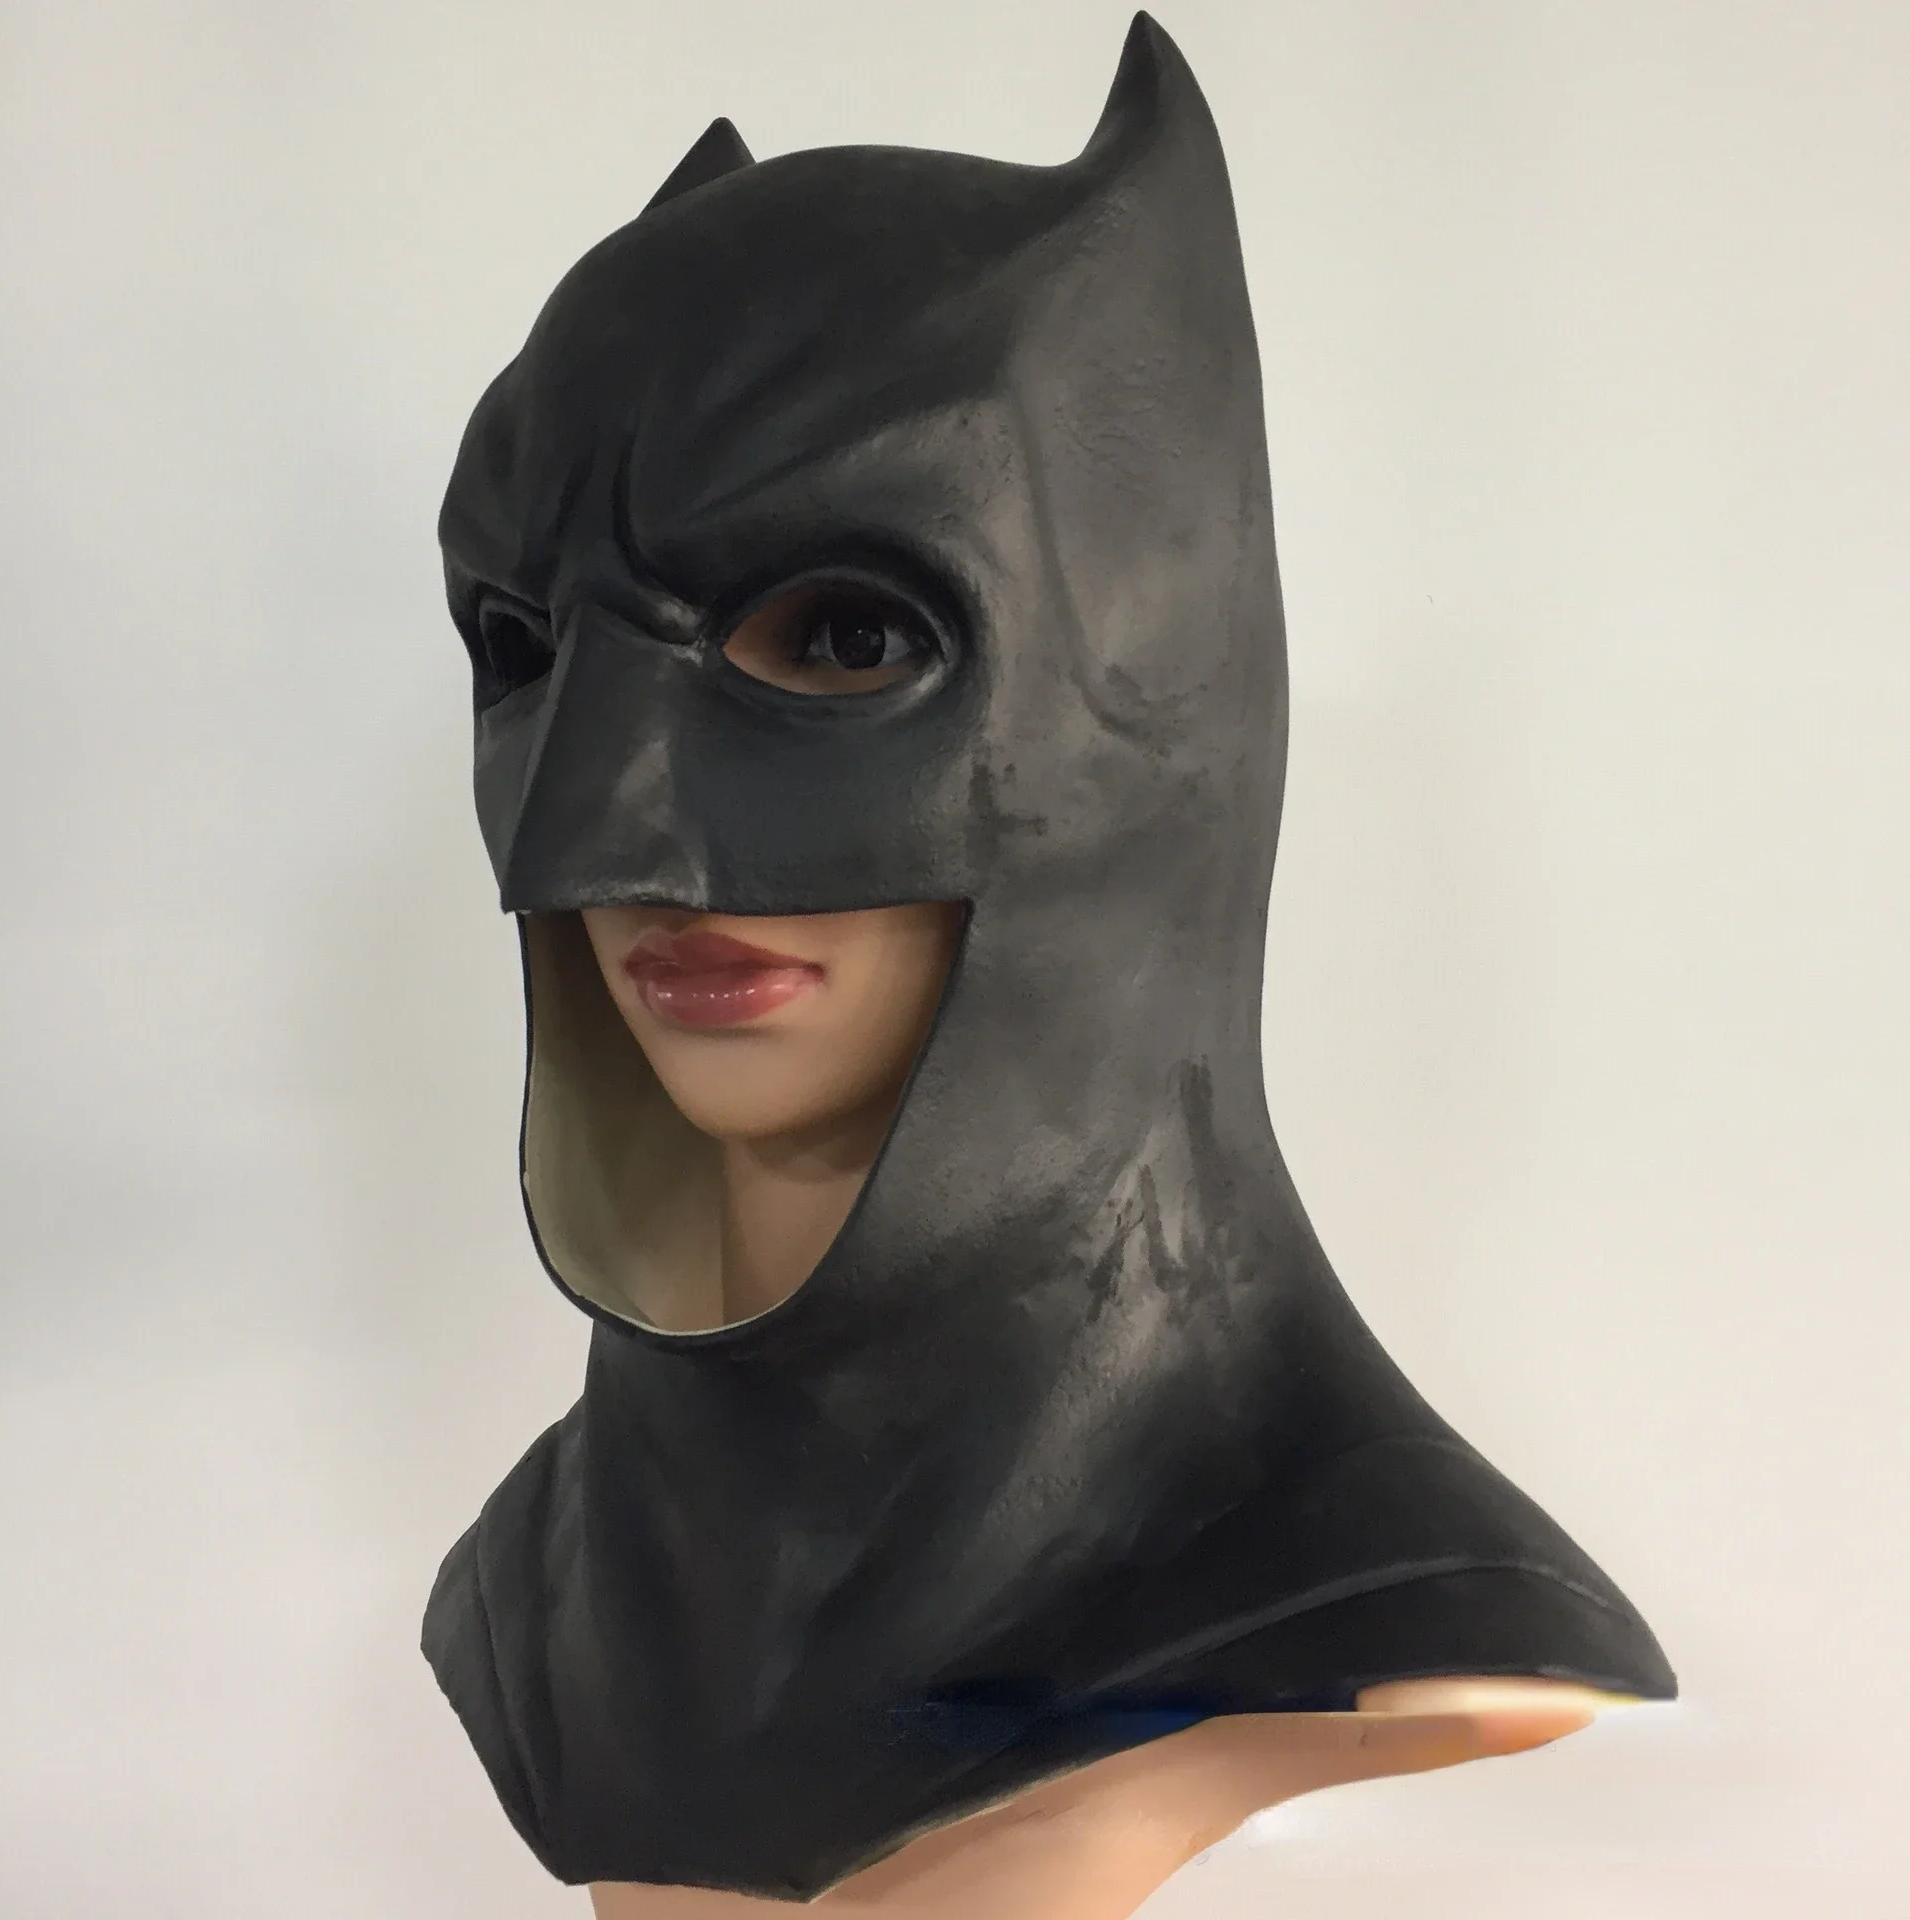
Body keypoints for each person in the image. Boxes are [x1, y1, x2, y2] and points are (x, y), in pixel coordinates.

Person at [422, 15, 1674, 1911]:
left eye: (844, 638)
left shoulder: (1370, 1604)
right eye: (524, 642)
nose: (583, 833)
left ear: (1159, 707)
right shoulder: (534, 1590)